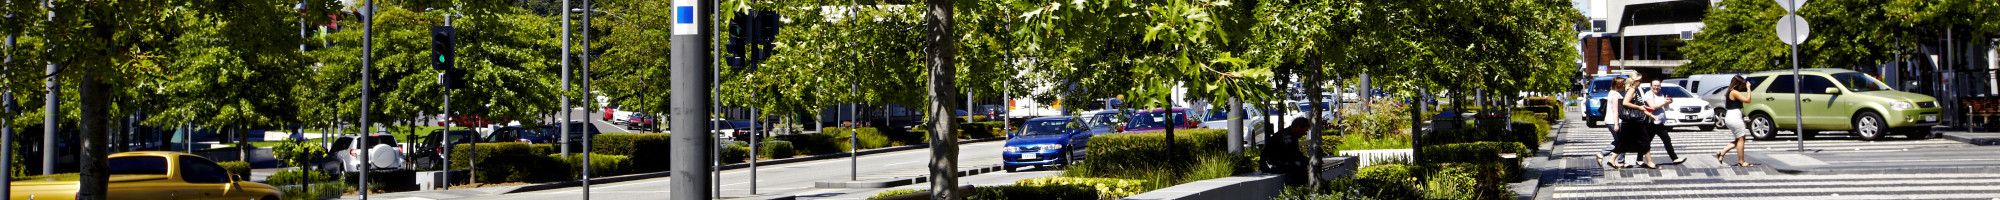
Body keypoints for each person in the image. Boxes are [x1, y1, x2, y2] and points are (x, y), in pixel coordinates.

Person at [1614, 79, 1657, 168]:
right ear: (1634, 82)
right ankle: (1649, 162)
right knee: (1645, 140)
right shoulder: (1632, 90)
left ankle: (1612, 159)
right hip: (1634, 120)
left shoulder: (1635, 90)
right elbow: (1626, 103)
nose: (1640, 82)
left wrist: (1648, 113)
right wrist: (1639, 107)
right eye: (1639, 80)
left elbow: (1639, 105)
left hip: (1633, 120)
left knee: (1624, 142)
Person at [1715, 76, 1756, 167]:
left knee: (1739, 139)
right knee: (1741, 139)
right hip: (1735, 118)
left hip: (1731, 116)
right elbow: (1748, 100)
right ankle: (1741, 161)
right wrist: (1748, 88)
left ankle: (1722, 152)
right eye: (1742, 84)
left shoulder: (1730, 91)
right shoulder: (1734, 92)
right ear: (1737, 84)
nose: (1743, 86)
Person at [1643, 80, 1684, 166]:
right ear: (1651, 86)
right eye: (1654, 85)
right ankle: (1674, 158)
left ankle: (1675, 158)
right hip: (1651, 121)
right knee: (1650, 141)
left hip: (1659, 122)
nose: (1656, 87)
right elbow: (1652, 107)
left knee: (1662, 140)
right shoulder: (1648, 94)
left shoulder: (1661, 94)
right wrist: (1664, 102)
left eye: (1658, 86)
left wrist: (1668, 102)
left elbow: (1666, 107)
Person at [1261, 118, 1310, 184]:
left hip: (1279, 162)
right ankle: (1296, 189)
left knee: (1300, 164)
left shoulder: (1292, 135)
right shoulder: (1286, 136)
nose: (1305, 133)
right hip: (1271, 164)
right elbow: (1290, 155)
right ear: (1298, 127)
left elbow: (1294, 153)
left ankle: (1302, 188)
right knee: (1296, 166)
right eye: (1305, 130)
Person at [1597, 77, 1629, 167]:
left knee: (1620, 141)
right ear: (1619, 85)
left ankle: (1621, 161)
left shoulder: (1612, 92)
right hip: (1614, 121)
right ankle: (1602, 154)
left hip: (1610, 120)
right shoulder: (1616, 95)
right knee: (1621, 141)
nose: (1625, 86)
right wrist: (1616, 124)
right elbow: (1616, 110)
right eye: (1623, 84)